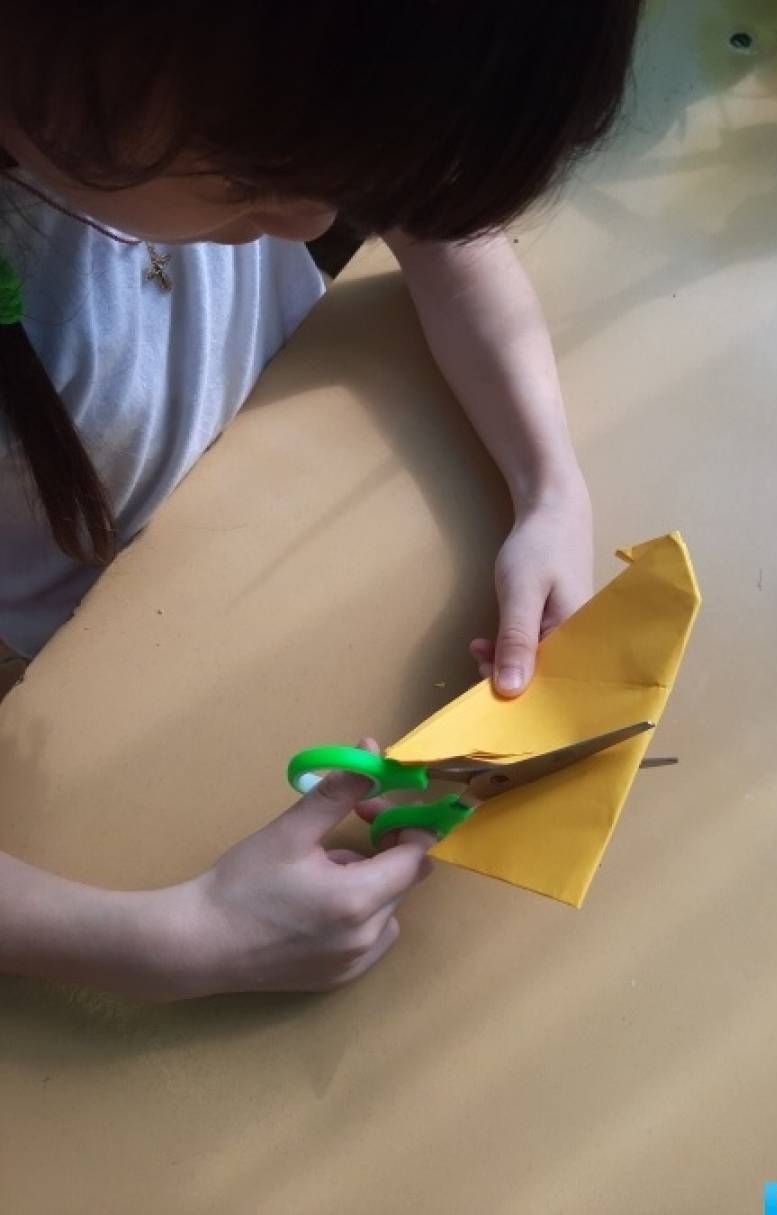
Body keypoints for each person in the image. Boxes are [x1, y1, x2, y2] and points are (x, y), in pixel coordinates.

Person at [0, 1, 641, 998]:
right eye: (253, 173)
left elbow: (437, 225)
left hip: (279, 518)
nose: (316, 221)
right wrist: (169, 941)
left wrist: (548, 486)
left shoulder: (239, 62)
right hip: (105, 676)